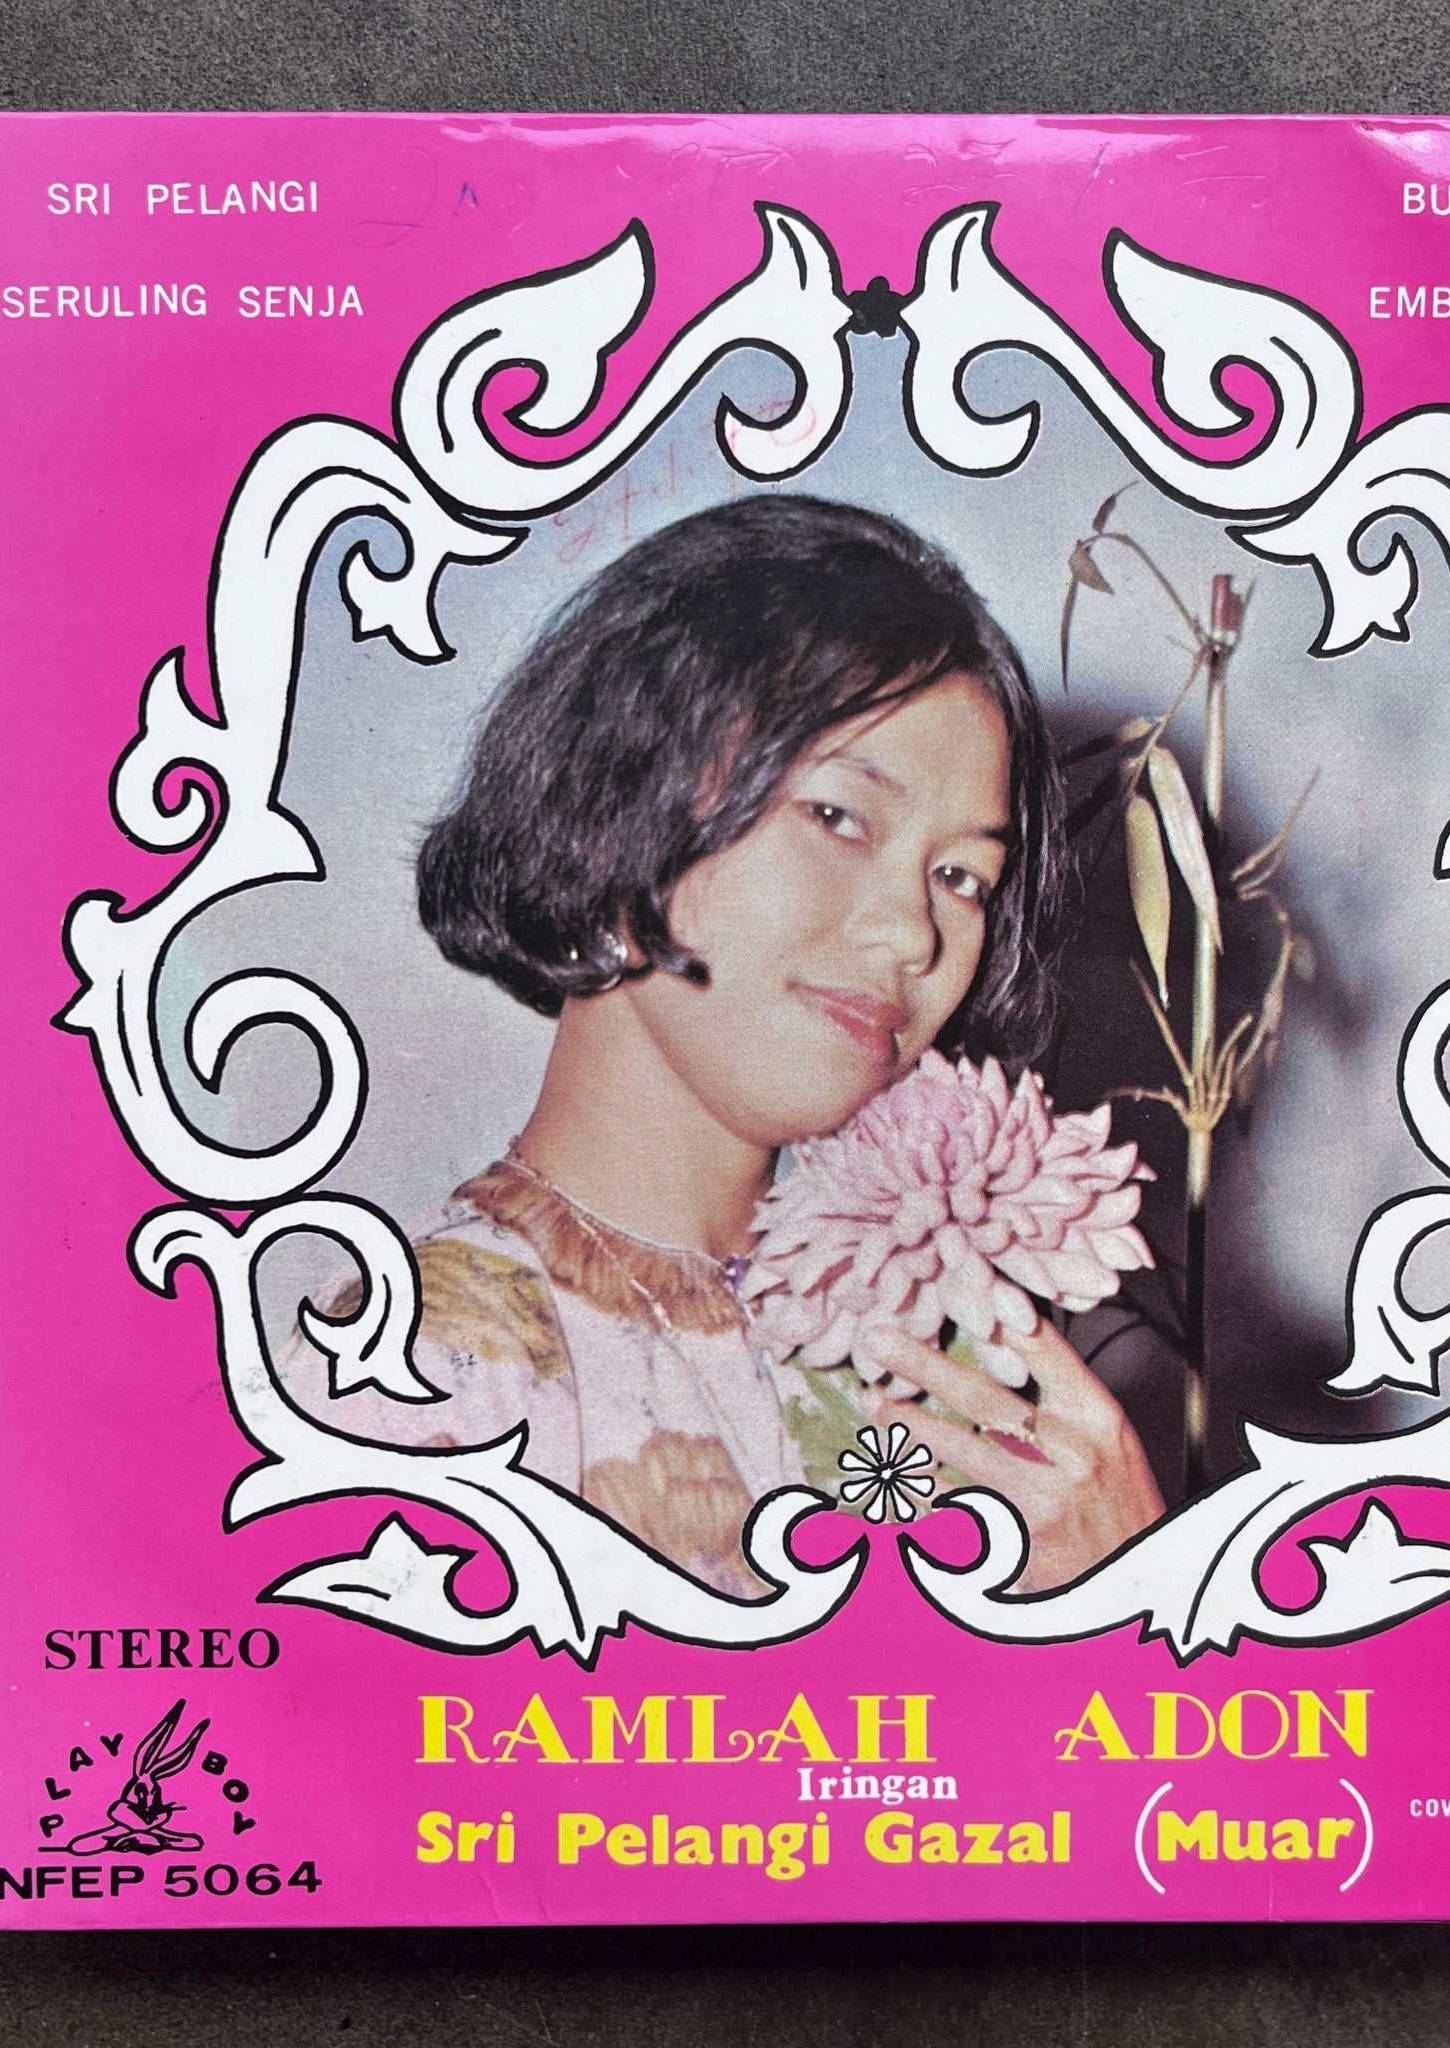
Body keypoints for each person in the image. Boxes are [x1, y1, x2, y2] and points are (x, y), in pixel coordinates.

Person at [286, 495, 1162, 1595]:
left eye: (961, 876)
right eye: (837, 817)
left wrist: (1119, 1582)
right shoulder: (413, 1372)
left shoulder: (935, 1358)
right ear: (619, 806)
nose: (914, 933)